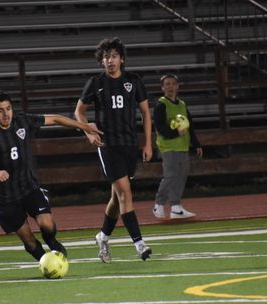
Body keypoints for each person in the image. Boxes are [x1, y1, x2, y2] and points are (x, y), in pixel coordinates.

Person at [0, 90, 102, 262]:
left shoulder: (22, 121)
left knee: (47, 224)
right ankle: (46, 263)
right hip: (6, 197)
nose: (6, 114)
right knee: (29, 240)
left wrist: (85, 126)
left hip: (28, 187)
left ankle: (50, 240)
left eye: (8, 108)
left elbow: (54, 118)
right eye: (0, 110)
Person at [74, 37, 153, 263]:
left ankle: (103, 236)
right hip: (107, 145)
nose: (110, 60)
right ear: (102, 61)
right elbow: (79, 111)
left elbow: (146, 113)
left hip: (129, 144)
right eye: (106, 57)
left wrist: (147, 142)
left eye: (114, 56)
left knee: (117, 198)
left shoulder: (134, 81)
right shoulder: (95, 82)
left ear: (122, 59)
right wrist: (88, 132)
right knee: (125, 194)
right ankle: (139, 244)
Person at [152, 73, 203, 220]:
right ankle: (159, 204)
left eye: (173, 84)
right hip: (168, 147)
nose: (170, 87)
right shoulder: (161, 105)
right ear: (162, 88)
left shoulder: (182, 105)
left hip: (183, 146)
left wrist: (196, 143)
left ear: (177, 86)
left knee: (181, 176)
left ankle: (175, 207)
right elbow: (161, 128)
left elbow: (190, 125)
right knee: (170, 176)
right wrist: (176, 132)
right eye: (167, 84)